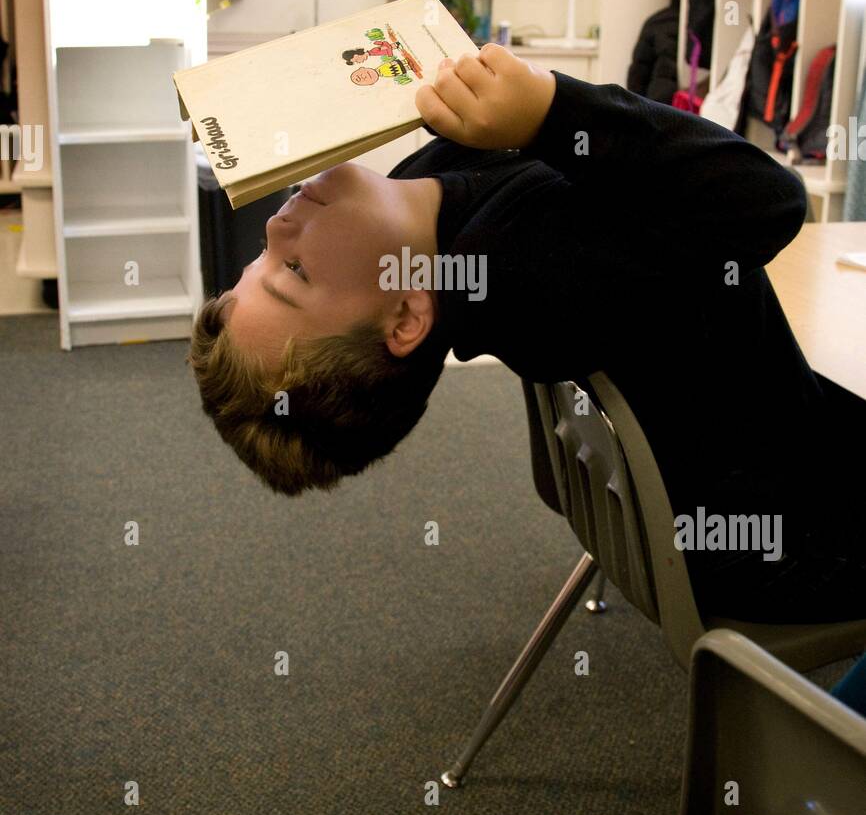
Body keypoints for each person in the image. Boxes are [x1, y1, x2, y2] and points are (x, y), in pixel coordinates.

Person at [188, 44, 866, 626]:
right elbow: (774, 202)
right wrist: (548, 110)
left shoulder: (417, 199)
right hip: (807, 536)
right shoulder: (531, 269)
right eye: (295, 273)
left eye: (257, 262)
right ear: (405, 317)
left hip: (800, 446)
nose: (274, 230)